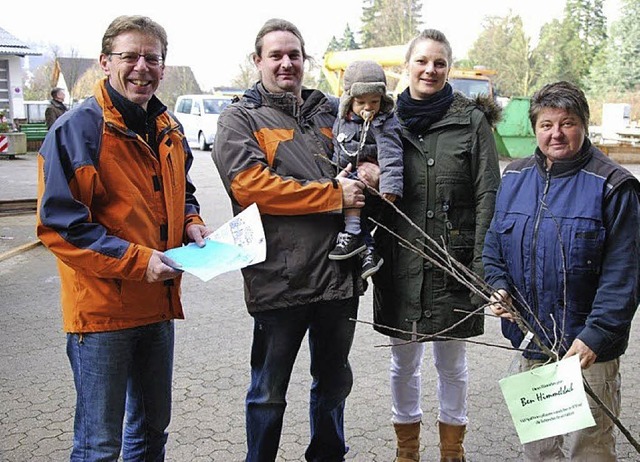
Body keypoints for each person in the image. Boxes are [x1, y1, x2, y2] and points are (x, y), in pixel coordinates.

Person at [36, 15, 208, 460]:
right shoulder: (77, 130)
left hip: (157, 307)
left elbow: (182, 189)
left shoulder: (169, 127)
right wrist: (138, 261)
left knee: (151, 435)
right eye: (129, 56)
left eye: (152, 58)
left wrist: (191, 219)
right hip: (102, 315)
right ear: (105, 62)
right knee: (99, 446)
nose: (141, 67)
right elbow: (61, 226)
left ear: (164, 67)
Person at [212, 18, 367, 462]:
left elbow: (373, 144)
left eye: (294, 55)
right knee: (268, 391)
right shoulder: (239, 118)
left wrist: (372, 169)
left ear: (305, 60)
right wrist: (334, 194)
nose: (286, 63)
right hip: (279, 279)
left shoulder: (332, 112)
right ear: (257, 60)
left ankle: (328, 456)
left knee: (334, 383)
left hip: (338, 277)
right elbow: (251, 187)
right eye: (275, 55)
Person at [483, 81, 640, 461]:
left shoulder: (614, 185)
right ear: (535, 128)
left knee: (591, 449)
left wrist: (597, 335)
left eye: (567, 123)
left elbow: (626, 273)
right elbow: (493, 245)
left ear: (584, 125)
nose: (556, 133)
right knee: (538, 450)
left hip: (587, 351)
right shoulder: (516, 178)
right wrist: (498, 286)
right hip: (531, 343)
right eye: (546, 124)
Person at [371, 29, 501, 462]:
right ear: (406, 65)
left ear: (448, 68)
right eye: (422, 61)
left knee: (452, 365)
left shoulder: (471, 122)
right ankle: (406, 451)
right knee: (403, 363)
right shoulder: (382, 120)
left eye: (439, 63)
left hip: (453, 265)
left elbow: (488, 196)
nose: (430, 69)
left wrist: (481, 267)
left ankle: (452, 451)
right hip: (400, 261)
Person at [329, 59, 404, 280]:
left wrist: (390, 185)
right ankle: (368, 252)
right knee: (346, 191)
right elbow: (337, 148)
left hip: (370, 179)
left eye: (374, 101)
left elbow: (391, 154)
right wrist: (334, 178)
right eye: (361, 102)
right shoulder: (342, 121)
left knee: (355, 193)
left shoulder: (383, 122)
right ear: (349, 100)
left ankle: (353, 233)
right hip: (346, 174)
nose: (368, 107)